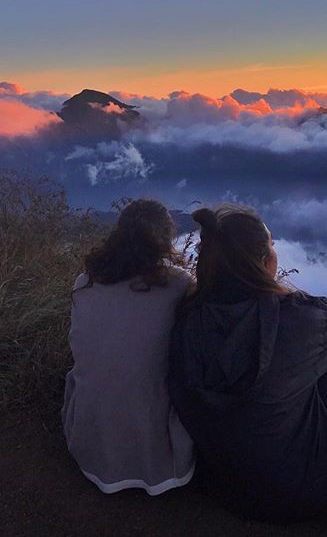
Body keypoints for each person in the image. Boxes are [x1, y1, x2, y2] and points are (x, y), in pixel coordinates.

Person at [169, 204, 327, 522]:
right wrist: (278, 293)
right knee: (322, 366)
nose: (276, 250)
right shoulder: (309, 321)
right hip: (307, 491)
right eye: (271, 245)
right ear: (262, 261)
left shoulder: (188, 318)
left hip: (223, 484)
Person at [62, 199, 195, 495]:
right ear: (164, 237)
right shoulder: (178, 283)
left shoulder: (86, 280)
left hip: (92, 433)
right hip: (153, 444)